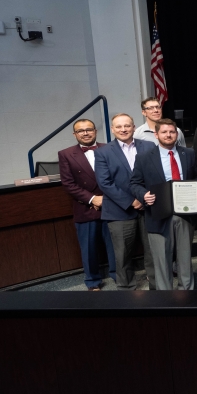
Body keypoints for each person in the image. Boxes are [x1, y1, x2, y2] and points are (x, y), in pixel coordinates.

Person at [130, 118, 197, 290]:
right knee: (162, 260)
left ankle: (187, 292)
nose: (169, 135)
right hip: (158, 213)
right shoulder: (144, 157)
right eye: (164, 132)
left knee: (185, 257)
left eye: (172, 131)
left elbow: (196, 177)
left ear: (177, 134)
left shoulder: (189, 153)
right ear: (156, 134)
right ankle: (166, 297)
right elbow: (134, 183)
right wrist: (143, 195)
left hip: (185, 213)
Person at [94, 113, 157, 290]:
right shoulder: (102, 152)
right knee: (122, 254)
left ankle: (157, 286)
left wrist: (144, 197)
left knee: (153, 251)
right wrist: (131, 201)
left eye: (127, 126)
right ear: (113, 129)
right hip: (119, 211)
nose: (123, 129)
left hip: (148, 207)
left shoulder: (149, 146)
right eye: (119, 127)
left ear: (134, 127)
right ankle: (126, 289)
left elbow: (154, 174)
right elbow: (104, 183)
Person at [59, 119, 116, 291]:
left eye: (89, 129)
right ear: (74, 134)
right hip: (85, 207)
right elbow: (68, 184)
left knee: (115, 245)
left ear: (95, 131)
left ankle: (118, 274)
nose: (85, 133)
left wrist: (106, 198)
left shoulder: (109, 148)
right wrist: (92, 199)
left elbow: (118, 175)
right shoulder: (66, 154)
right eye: (80, 130)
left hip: (111, 204)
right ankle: (92, 281)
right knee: (89, 248)